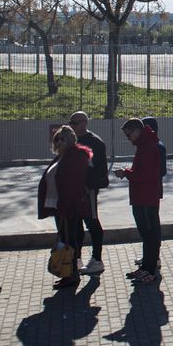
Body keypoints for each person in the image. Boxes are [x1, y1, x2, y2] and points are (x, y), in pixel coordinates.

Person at [38, 125, 92, 289]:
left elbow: (72, 185)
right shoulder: (62, 157)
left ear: (71, 141)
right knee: (66, 239)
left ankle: (71, 275)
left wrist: (64, 206)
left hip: (68, 207)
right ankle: (67, 273)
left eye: (63, 139)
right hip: (59, 206)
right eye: (57, 139)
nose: (59, 142)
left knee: (69, 241)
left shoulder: (74, 157)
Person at [116, 118, 165, 285]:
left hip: (146, 198)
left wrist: (126, 173)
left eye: (129, 135)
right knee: (146, 235)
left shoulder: (149, 147)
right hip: (141, 197)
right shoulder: (144, 146)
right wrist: (129, 172)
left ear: (137, 130)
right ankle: (146, 267)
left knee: (150, 234)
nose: (129, 139)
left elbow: (145, 175)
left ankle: (150, 270)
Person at [67, 111, 110, 277]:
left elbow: (100, 169)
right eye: (70, 123)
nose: (72, 126)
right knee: (76, 223)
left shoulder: (95, 142)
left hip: (88, 190)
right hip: (74, 190)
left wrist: (90, 184)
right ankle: (77, 257)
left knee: (91, 221)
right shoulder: (72, 141)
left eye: (75, 123)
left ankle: (97, 259)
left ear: (84, 123)